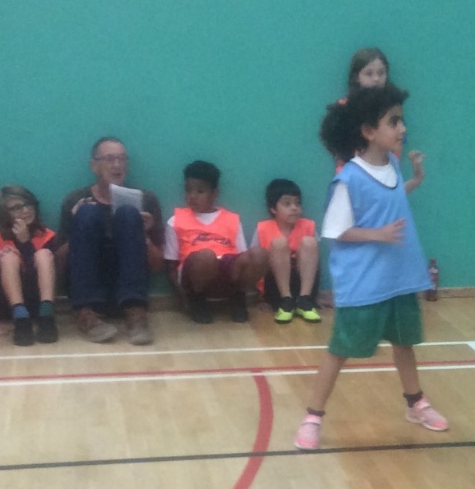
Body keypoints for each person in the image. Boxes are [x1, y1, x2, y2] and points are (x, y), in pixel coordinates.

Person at [295, 84, 447, 450]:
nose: (402, 128)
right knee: (340, 350)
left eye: (401, 120)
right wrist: (376, 234)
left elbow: (387, 198)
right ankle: (313, 416)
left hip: (399, 278)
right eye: (393, 121)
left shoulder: (392, 164)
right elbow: (336, 230)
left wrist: (415, 180)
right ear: (368, 131)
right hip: (364, 284)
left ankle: (415, 403)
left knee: (404, 343)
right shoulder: (348, 178)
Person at [56, 136, 158, 345]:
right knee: (87, 213)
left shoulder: (145, 200)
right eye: (110, 159)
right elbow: (58, 264)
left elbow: (158, 266)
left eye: (122, 159)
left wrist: (144, 235)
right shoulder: (75, 200)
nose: (117, 165)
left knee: (128, 213)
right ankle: (87, 315)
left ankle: (136, 314)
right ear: (94, 165)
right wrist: (77, 227)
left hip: (128, 288)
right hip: (87, 289)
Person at [164, 160, 265, 323]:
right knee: (206, 256)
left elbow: (243, 258)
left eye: (200, 191)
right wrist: (183, 297)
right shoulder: (175, 220)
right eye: (188, 190)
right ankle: (197, 300)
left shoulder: (232, 219)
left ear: (214, 194)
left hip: (228, 272)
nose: (192, 196)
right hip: (195, 275)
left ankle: (237, 298)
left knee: (259, 254)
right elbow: (170, 267)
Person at [328, 48, 423, 192]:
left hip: (386, 174)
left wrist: (413, 178)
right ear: (356, 77)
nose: (376, 79)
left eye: (381, 73)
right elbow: (338, 147)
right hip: (354, 178)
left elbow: (399, 143)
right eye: (369, 73)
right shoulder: (345, 107)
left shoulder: (393, 107)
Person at [0, 185, 59, 346]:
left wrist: (25, 244)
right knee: (8, 257)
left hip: (36, 302)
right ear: (4, 213)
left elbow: (39, 275)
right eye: (16, 208)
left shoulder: (47, 235)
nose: (26, 210)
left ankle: (47, 317)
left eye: (28, 204)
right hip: (5, 304)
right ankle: (21, 320)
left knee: (44, 255)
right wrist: (4, 256)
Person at [255, 177, 320, 323]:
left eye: (297, 203)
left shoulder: (308, 226)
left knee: (309, 242)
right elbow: (257, 265)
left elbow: (315, 262)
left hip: (303, 285)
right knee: (279, 243)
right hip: (276, 288)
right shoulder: (263, 228)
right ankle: (286, 301)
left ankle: (305, 300)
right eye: (287, 204)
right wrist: (260, 297)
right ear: (273, 208)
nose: (294, 208)